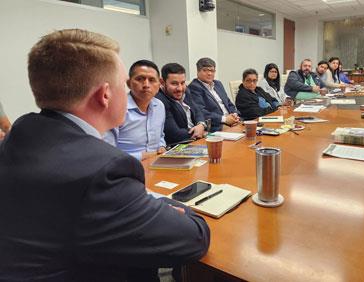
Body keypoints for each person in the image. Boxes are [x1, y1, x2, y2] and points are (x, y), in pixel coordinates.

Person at [0, 29, 210, 281]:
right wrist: (177, 209)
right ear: (105, 95)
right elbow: (194, 238)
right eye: (124, 83)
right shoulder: (102, 172)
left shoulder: (20, 135)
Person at [104, 60, 166, 160]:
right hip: (125, 167)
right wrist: (142, 156)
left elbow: (161, 135)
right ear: (129, 83)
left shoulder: (159, 106)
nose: (146, 84)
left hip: (157, 163)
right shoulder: (116, 108)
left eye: (151, 80)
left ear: (159, 84)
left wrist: (162, 146)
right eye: (140, 79)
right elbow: (106, 152)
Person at [156, 63, 206, 145]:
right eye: (174, 83)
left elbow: (197, 111)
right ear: (162, 82)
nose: (180, 88)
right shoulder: (159, 101)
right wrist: (200, 132)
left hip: (197, 139)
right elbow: (174, 134)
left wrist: (201, 124)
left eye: (182, 83)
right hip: (181, 144)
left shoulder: (186, 90)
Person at [188, 57, 239, 132]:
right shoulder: (194, 87)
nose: (209, 73)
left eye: (212, 71)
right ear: (198, 71)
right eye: (205, 70)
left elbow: (228, 103)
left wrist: (234, 115)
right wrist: (225, 119)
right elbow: (201, 112)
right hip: (216, 126)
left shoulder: (218, 84)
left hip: (231, 122)